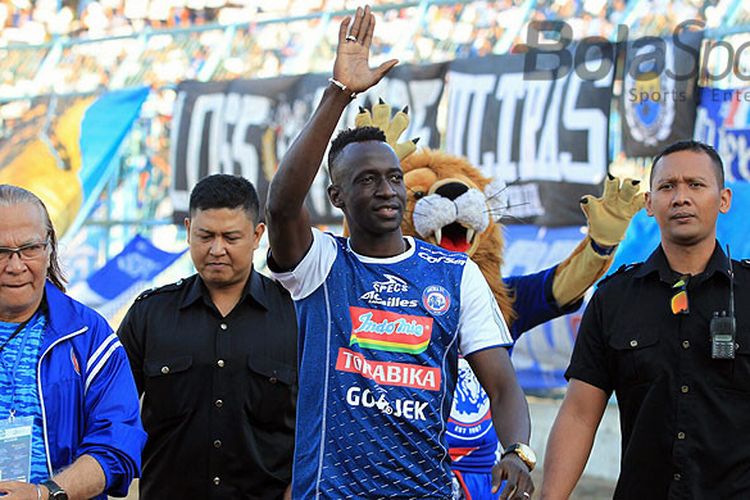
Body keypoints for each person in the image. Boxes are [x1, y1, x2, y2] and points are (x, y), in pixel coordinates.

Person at [265, 6, 534, 499]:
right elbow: (281, 207)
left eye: (393, 177)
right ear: (337, 197)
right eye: (367, 180)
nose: (388, 190)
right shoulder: (321, 265)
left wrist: (517, 449)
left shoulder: (455, 274)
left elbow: (502, 383)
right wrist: (340, 93)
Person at [542, 140, 749, 499]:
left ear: (724, 199)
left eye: (696, 185)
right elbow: (579, 414)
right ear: (649, 203)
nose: (681, 197)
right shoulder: (613, 298)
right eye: (667, 186)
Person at [117, 174, 297, 499]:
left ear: (257, 235)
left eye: (231, 237)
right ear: (188, 231)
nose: (217, 249)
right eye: (205, 236)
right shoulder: (149, 315)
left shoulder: (295, 316)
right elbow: (111, 411)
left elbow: (321, 420)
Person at [0, 185, 145, 500]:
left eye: (29, 248)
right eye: (0, 252)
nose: (15, 265)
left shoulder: (88, 335)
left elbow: (117, 444)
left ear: (50, 248)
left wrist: (45, 494)